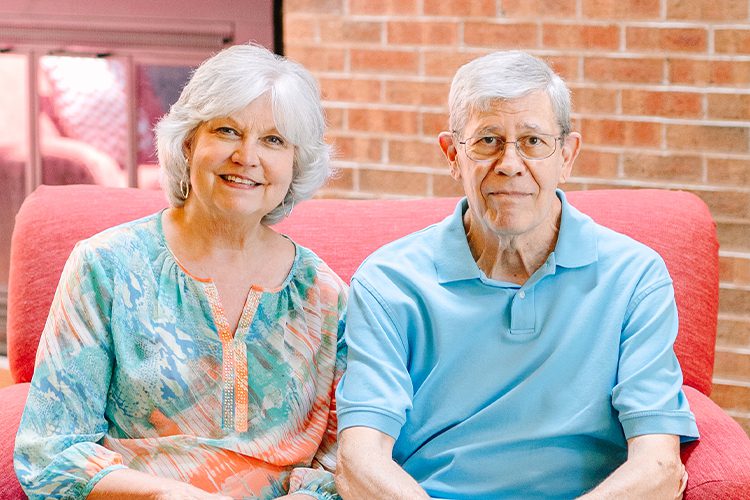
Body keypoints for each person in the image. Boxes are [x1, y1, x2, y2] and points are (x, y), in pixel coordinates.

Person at [335, 50, 699, 499]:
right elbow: (359, 462)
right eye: (488, 140)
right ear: (452, 155)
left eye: (532, 141)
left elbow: (658, 466)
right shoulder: (388, 282)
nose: (510, 163)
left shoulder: (635, 277)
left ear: (566, 155)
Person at [14, 44, 347, 500]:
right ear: (189, 141)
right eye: (228, 131)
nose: (247, 156)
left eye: (274, 140)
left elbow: (342, 461)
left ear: (295, 163)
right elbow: (50, 451)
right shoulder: (107, 266)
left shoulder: (324, 296)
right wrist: (167, 495)